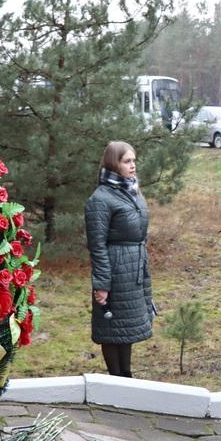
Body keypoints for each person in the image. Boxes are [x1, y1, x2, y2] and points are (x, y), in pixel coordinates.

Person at [85, 141, 154, 378]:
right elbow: (97, 245)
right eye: (127, 161)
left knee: (126, 327)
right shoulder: (101, 199)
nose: (133, 166)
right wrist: (102, 283)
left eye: (134, 160)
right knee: (111, 328)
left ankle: (127, 376)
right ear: (114, 164)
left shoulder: (131, 191)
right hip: (115, 269)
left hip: (133, 267)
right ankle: (116, 378)